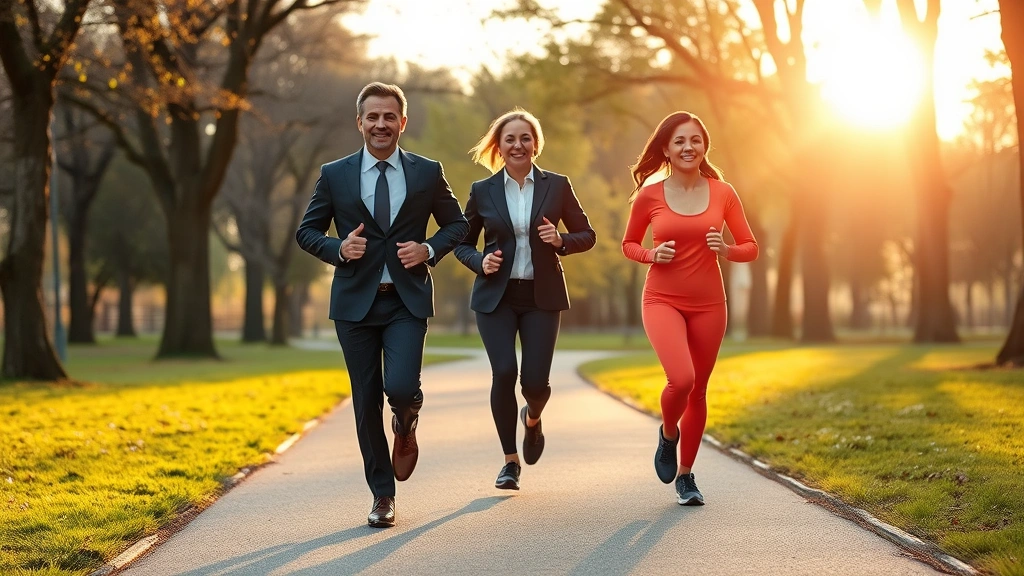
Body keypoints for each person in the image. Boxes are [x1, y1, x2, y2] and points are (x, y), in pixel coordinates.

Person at [295, 82, 469, 528]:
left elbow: (458, 226)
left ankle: (406, 423)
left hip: (406, 302)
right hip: (354, 305)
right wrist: (338, 250)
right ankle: (382, 495)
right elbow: (307, 231)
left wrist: (428, 250)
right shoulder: (335, 174)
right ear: (360, 122)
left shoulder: (427, 172)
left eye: (389, 116)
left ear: (402, 122)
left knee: (401, 387)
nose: (380, 124)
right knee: (366, 399)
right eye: (372, 116)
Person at [455, 109, 596, 491]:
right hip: (495, 297)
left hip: (542, 297)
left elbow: (587, 234)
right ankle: (509, 462)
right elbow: (462, 244)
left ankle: (532, 420)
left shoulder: (558, 186)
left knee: (535, 384)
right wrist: (479, 261)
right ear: (499, 148)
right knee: (504, 372)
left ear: (536, 144)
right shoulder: (483, 191)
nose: (518, 145)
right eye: (510, 139)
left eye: (525, 138)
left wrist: (561, 241)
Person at [621, 111, 758, 505]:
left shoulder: (723, 192)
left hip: (710, 304)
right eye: (680, 141)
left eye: (695, 140)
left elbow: (751, 247)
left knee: (698, 391)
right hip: (661, 299)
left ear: (704, 146)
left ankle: (686, 476)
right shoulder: (650, 195)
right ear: (666, 148)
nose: (688, 147)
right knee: (680, 379)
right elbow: (628, 243)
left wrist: (726, 249)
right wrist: (651, 254)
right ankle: (668, 433)